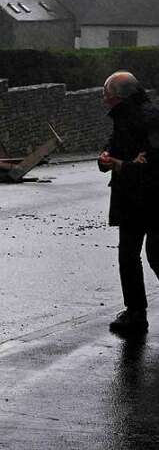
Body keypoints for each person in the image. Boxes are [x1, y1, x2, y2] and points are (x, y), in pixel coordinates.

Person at [98, 71, 159, 335]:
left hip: (155, 199)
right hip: (130, 199)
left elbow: (155, 167)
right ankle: (135, 312)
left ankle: (135, 313)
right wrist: (105, 159)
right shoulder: (122, 118)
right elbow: (114, 148)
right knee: (128, 256)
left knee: (157, 255)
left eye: (108, 97)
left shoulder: (151, 120)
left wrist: (122, 166)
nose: (105, 102)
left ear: (122, 97)